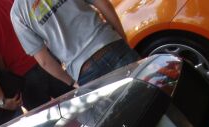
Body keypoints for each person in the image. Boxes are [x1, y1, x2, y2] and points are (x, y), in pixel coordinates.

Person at [0, 0, 71, 109]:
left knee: (50, 122)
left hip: (23, 76)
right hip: (44, 59)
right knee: (75, 102)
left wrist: (6, 85)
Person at [11, 0, 139, 87]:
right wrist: (121, 36)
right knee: (152, 95)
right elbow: (103, 3)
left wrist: (71, 82)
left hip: (84, 70)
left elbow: (44, 60)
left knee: (124, 120)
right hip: (110, 43)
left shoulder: (17, 14)